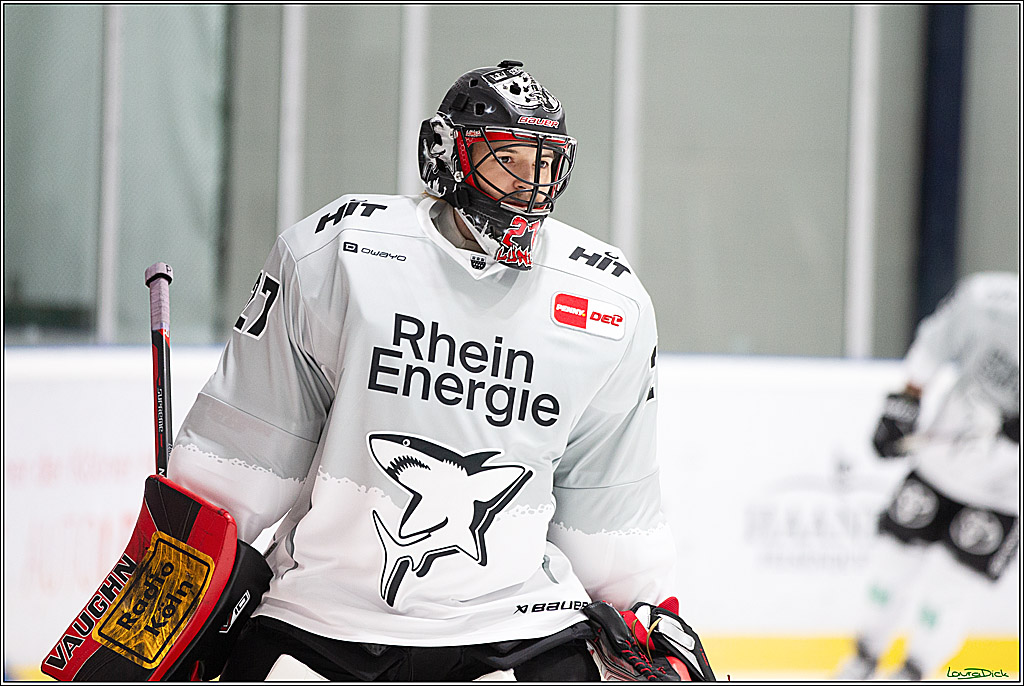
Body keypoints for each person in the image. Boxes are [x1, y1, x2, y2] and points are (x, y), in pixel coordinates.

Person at [168, 61, 706, 681]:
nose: (529, 189)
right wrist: (169, 593)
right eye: (507, 161)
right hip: (322, 619)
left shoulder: (607, 303)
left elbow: (607, 512)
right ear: (445, 154)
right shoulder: (340, 254)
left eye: (544, 166)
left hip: (520, 625)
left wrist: (649, 611)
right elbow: (238, 461)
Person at [837, 272, 1020, 680]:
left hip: (1006, 492)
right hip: (942, 463)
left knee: (949, 593)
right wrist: (907, 400)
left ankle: (913, 672)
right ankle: (864, 657)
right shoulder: (992, 300)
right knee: (891, 566)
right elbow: (937, 340)